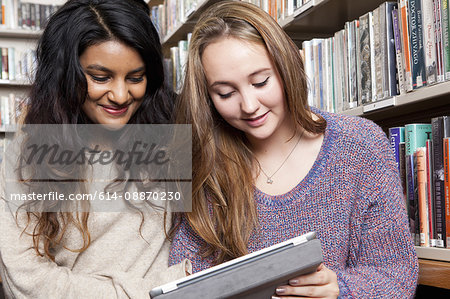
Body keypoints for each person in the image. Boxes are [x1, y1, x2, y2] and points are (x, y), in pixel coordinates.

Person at [169, 1, 419, 298]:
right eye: (225, 93)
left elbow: (396, 274)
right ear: (208, 98)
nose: (249, 106)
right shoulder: (206, 165)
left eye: (261, 82)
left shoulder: (359, 146)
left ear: (286, 67)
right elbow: (186, 280)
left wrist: (341, 290)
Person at [0, 1, 190, 298]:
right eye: (100, 77)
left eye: (135, 78)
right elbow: (25, 283)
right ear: (65, 75)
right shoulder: (27, 151)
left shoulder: (173, 136)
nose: (120, 95)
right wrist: (151, 291)